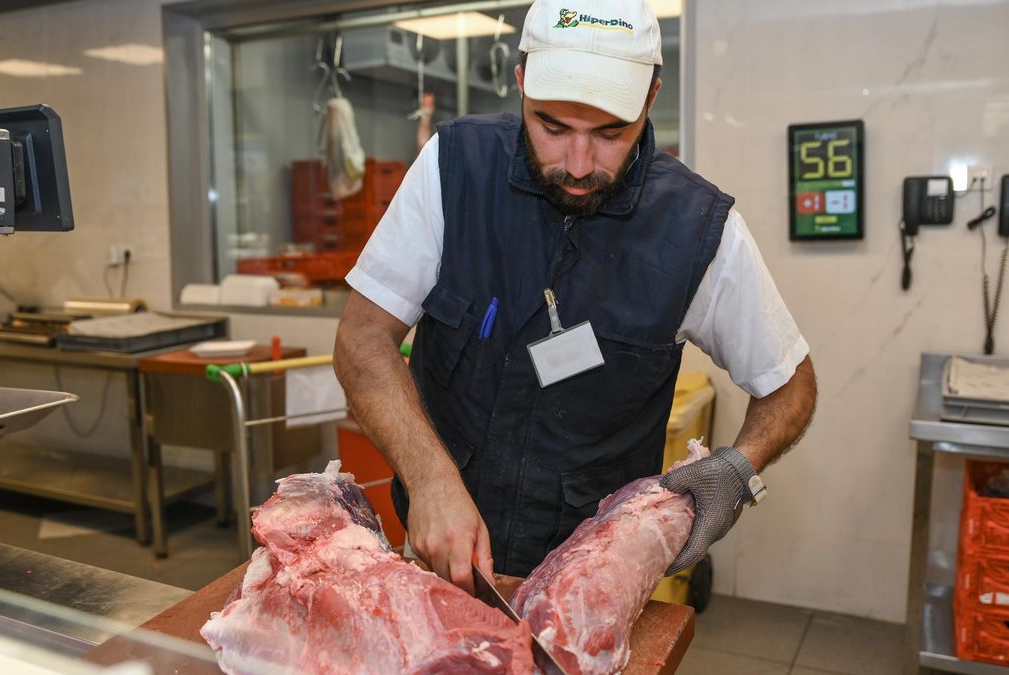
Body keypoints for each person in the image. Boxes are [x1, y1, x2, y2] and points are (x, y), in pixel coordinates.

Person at [334, 0, 817, 595]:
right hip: (445, 551)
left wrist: (738, 468)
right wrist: (431, 478)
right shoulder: (454, 167)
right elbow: (362, 340)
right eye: (551, 127)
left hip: (594, 573)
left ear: (651, 98)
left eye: (611, 133)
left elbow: (790, 384)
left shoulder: (697, 228)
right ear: (520, 83)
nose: (578, 165)